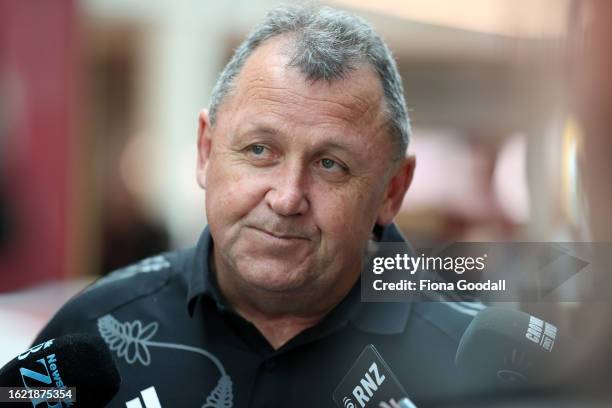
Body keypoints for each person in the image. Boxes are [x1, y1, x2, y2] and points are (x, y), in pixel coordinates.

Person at [33, 5, 483, 407]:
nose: (287, 198)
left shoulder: (479, 364)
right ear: (206, 151)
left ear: (392, 190)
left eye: (330, 164)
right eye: (259, 151)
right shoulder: (92, 328)